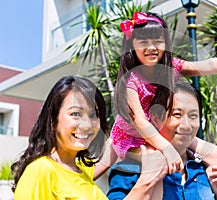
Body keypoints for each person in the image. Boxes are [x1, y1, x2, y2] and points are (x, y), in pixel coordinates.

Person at [95, 11, 217, 178]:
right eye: (143, 42)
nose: (151, 47)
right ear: (132, 46)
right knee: (154, 159)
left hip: (165, 130)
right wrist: (167, 148)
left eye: (158, 41)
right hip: (133, 137)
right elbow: (140, 121)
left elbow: (208, 65)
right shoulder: (131, 80)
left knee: (213, 152)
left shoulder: (171, 67)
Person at [10, 76, 166, 200]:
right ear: (53, 120)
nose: (86, 125)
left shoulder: (82, 169)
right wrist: (146, 179)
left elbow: (112, 147)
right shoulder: (40, 171)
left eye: (93, 115)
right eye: (75, 114)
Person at [107, 81, 217, 200]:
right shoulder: (130, 169)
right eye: (177, 115)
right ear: (156, 118)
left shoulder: (205, 168)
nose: (186, 125)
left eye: (193, 116)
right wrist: (147, 179)